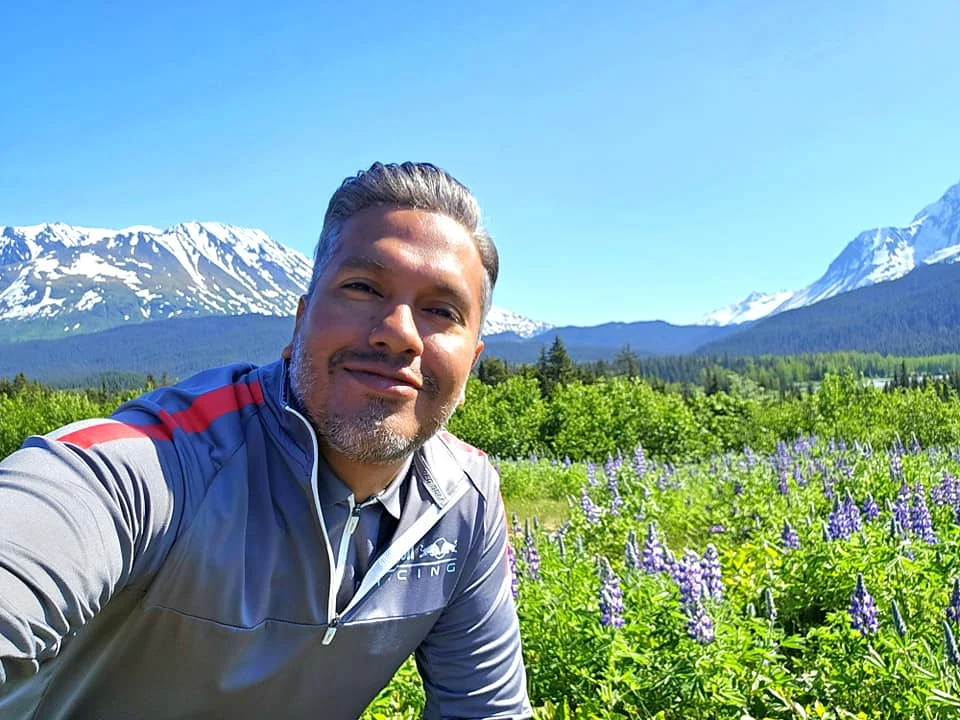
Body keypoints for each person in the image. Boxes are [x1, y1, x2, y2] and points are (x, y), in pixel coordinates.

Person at [0, 162, 532, 719]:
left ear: (471, 364)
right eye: (362, 287)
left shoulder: (462, 501)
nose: (398, 332)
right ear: (298, 323)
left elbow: (485, 711)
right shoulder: (156, 463)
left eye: (441, 311)